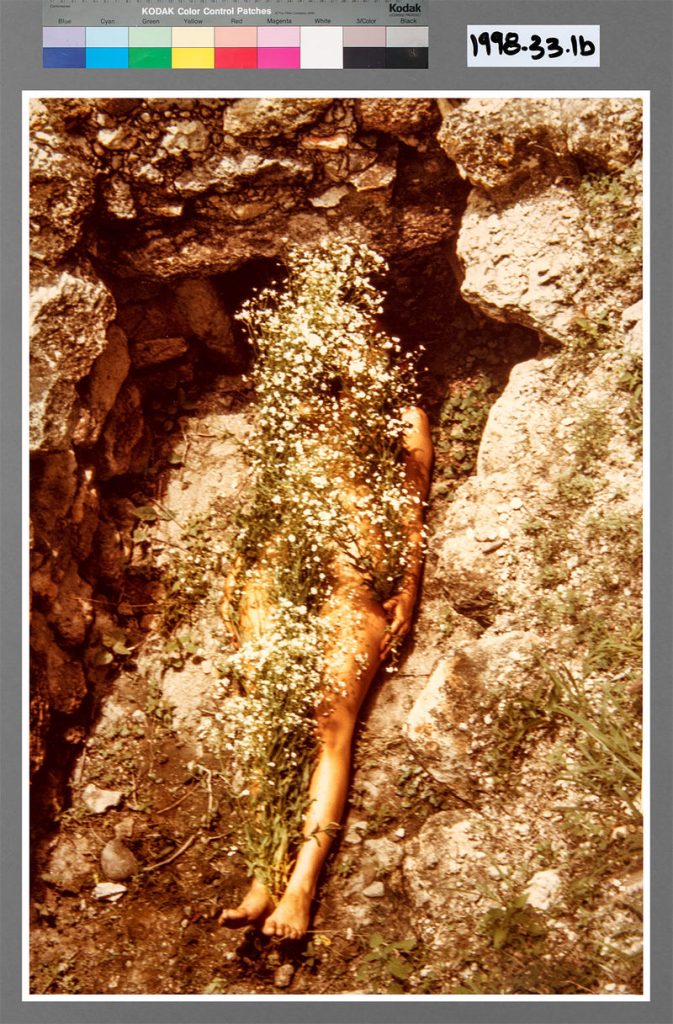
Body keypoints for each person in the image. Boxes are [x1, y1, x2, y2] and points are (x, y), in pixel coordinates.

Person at [215, 243, 433, 940]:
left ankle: (300, 889)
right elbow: (265, 502)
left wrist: (405, 588)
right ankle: (260, 874)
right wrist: (235, 570)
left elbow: (410, 508)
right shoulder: (293, 414)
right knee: (266, 727)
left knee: (328, 725)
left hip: (350, 578)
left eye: (356, 338)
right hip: (271, 573)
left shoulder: (402, 421)